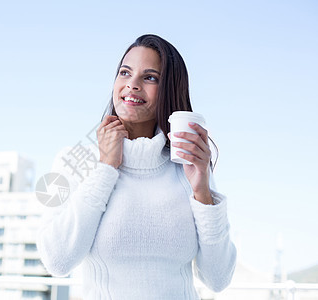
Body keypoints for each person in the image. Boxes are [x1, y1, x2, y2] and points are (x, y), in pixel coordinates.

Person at [36, 34, 237, 300]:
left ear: (169, 90)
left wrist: (202, 190)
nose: (132, 85)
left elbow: (218, 279)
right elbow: (57, 261)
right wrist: (106, 168)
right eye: (125, 72)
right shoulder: (73, 161)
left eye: (150, 77)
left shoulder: (189, 168)